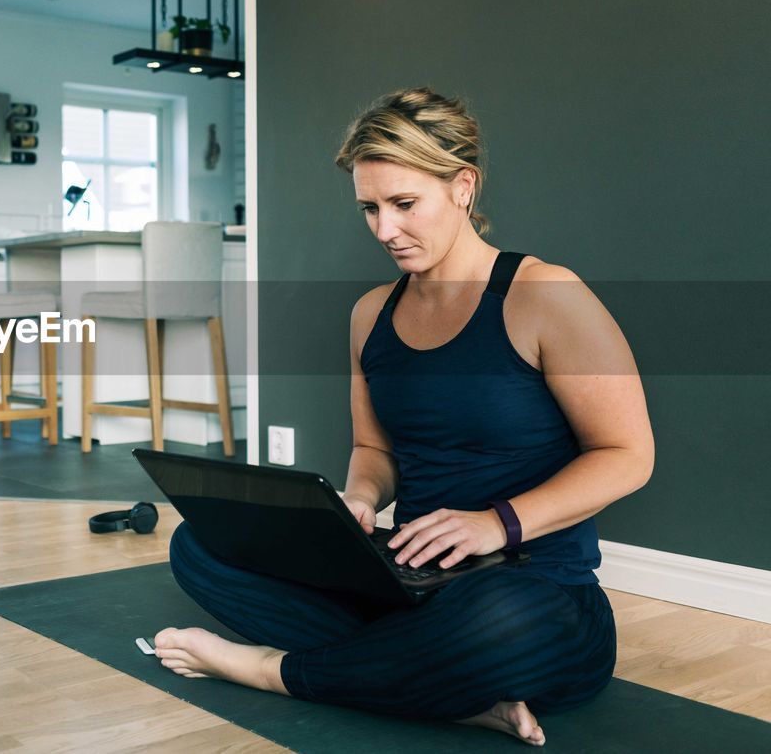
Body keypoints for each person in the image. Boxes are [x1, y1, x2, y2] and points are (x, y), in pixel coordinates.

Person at [153, 88, 655, 746]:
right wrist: (359, 499)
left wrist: (494, 524)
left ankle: (272, 670)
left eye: (404, 204)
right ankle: (451, 694)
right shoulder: (371, 315)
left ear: (463, 187)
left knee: (499, 624)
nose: (384, 229)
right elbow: (375, 449)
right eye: (370, 207)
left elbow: (628, 454)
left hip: (532, 588)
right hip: (406, 576)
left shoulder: (543, 295)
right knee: (200, 544)